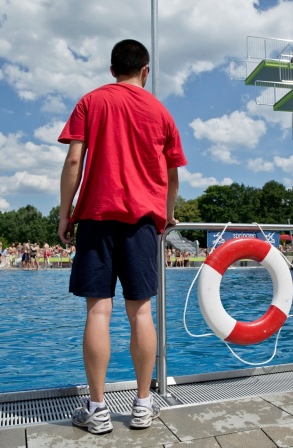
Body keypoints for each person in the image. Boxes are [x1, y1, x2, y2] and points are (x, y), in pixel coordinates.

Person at [57, 39, 187, 435]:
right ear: (145, 71)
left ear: (112, 69)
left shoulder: (90, 102)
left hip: (97, 217)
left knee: (99, 311)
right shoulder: (161, 112)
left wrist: (66, 214)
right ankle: (143, 406)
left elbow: (75, 160)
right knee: (141, 312)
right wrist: (165, 216)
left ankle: (97, 412)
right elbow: (172, 176)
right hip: (143, 222)